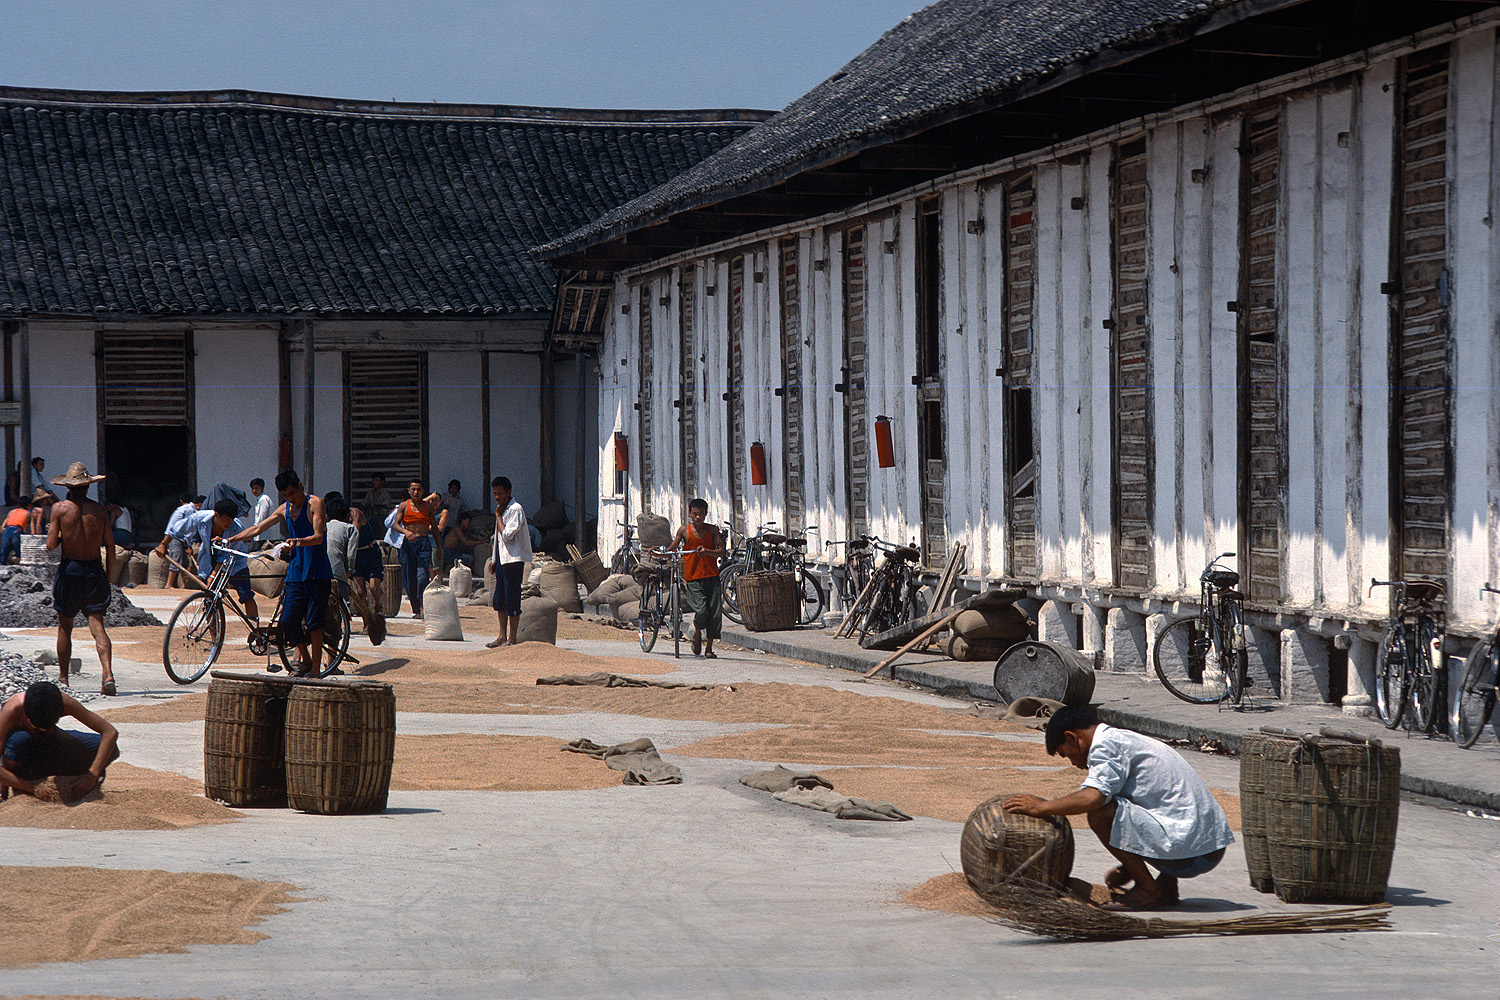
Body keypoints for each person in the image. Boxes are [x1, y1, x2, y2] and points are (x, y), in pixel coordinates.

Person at [1003, 705, 1235, 912]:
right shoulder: (1124, 739)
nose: (1073, 763)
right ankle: (1164, 885)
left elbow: (1093, 798)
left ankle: (1148, 891)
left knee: (1100, 812)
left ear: (1072, 738)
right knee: (1121, 804)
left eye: (1066, 754)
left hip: (1193, 853)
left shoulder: (1106, 746)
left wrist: (1042, 807)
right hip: (1207, 846)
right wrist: (1128, 867)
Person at [228, 469, 332, 677]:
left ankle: (315, 670)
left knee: (313, 624)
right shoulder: (285, 509)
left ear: (301, 486)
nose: (290, 499)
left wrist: (298, 542)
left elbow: (318, 536)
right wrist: (230, 539)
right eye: (285, 496)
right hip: (295, 572)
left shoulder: (315, 504)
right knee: (288, 621)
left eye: (293, 493)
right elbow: (257, 529)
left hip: (317, 572)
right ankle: (306, 661)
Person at [45, 462, 117, 695]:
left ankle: (64, 679)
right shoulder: (100, 511)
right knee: (97, 625)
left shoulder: (60, 509)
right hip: (94, 569)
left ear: (68, 486)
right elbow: (110, 546)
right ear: (87, 487)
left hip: (70, 569)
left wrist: (60, 533)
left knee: (65, 626)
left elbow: (50, 545)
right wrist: (108, 576)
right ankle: (107, 673)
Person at [0, 681, 119, 801]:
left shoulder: (63, 702)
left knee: (107, 748)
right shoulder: (12, 710)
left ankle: (59, 774)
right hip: (21, 752)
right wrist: (32, 787)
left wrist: (92, 775)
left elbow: (110, 732)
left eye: (47, 728)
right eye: (36, 728)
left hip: (49, 744)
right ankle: (22, 784)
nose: (41, 731)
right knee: (19, 740)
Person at [167, 498, 258, 623]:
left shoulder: (236, 528)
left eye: (231, 519)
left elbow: (226, 556)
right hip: (210, 560)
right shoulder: (201, 518)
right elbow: (178, 528)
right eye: (226, 519)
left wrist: (213, 576)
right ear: (217, 515)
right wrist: (163, 544)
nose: (229, 522)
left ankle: (256, 630)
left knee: (246, 595)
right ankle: (214, 640)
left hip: (235, 562)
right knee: (210, 601)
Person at [669, 498, 726, 659]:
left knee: (715, 613)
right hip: (693, 577)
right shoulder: (684, 531)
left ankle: (709, 648)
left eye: (701, 514)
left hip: (712, 576)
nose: (698, 517)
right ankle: (697, 633)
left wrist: (708, 552)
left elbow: (721, 551)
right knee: (701, 610)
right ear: (689, 513)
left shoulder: (713, 530)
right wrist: (659, 552)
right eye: (695, 514)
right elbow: (673, 548)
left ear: (706, 513)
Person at [486, 476, 532, 649]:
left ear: (509, 492)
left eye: (500, 493)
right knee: (500, 599)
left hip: (513, 560)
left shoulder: (515, 509)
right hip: (502, 560)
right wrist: (494, 559)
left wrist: (498, 516)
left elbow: (506, 535)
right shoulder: (502, 509)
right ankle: (501, 636)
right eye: (494, 494)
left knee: (512, 598)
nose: (497, 497)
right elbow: (497, 539)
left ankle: (512, 639)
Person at [390, 479, 442, 618]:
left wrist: (439, 547)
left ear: (423, 491)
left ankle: (423, 604)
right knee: (409, 577)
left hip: (424, 543)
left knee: (422, 576)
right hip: (408, 545)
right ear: (409, 491)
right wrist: (405, 532)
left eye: (418, 489)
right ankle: (416, 609)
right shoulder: (404, 506)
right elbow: (395, 525)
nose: (416, 492)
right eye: (413, 489)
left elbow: (435, 529)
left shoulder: (428, 507)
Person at [349, 502, 385, 621]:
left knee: (374, 587)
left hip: (371, 552)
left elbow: (355, 533)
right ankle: (367, 621)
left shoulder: (355, 513)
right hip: (357, 555)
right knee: (360, 591)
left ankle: (378, 607)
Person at [321, 492, 360, 601]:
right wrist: (348, 572)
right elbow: (351, 556)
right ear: (346, 517)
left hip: (317, 572)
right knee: (343, 602)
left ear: (327, 516)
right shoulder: (350, 529)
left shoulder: (320, 527)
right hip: (337, 573)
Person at [158, 492, 199, 589]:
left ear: (181, 501)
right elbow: (187, 528)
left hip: (178, 536)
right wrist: (189, 546)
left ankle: (183, 584)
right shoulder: (189, 509)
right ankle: (169, 584)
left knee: (184, 561)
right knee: (176, 559)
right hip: (173, 536)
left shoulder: (182, 509)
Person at [1, 497, 29, 564]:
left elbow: (3, 526)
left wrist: (7, 531)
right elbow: (26, 527)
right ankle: (21, 563)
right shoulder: (28, 513)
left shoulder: (12, 512)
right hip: (17, 530)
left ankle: (2, 564)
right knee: (19, 550)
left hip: (8, 529)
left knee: (4, 549)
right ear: (29, 505)